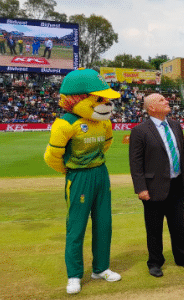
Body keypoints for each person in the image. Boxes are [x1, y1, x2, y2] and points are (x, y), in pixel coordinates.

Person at [44, 68, 122, 294]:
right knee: (76, 227)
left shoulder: (104, 122)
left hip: (100, 173)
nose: (106, 104)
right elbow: (51, 157)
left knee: (104, 223)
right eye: (99, 98)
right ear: (77, 98)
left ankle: (101, 268)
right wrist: (70, 171)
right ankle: (74, 275)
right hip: (78, 176)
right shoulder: (65, 123)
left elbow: (106, 144)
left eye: (106, 99)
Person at [129, 93, 184, 277]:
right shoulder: (140, 131)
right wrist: (141, 188)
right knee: (154, 227)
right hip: (152, 187)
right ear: (151, 107)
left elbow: (182, 153)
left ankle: (182, 258)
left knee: (178, 225)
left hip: (176, 183)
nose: (167, 101)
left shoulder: (175, 125)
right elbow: (135, 163)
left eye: (166, 99)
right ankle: (155, 262)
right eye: (161, 100)